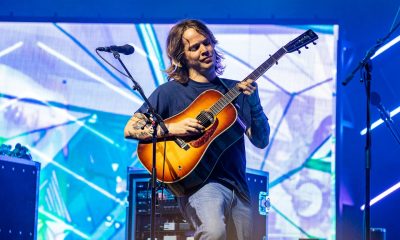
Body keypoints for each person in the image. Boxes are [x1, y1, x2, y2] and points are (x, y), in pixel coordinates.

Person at [124, 19, 270, 240]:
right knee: (214, 232)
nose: (205, 50)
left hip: (239, 187)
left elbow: (261, 140)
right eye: (195, 47)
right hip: (200, 185)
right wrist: (173, 128)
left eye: (207, 43)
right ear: (180, 58)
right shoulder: (169, 92)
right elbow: (130, 129)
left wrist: (255, 103)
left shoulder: (235, 90)